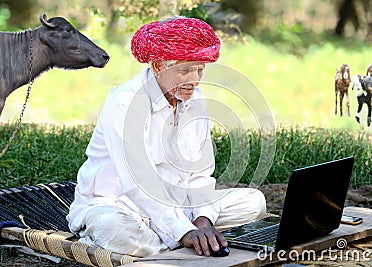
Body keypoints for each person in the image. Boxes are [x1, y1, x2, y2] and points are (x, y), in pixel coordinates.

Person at [67, 16, 266, 257]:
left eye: (200, 70)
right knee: (114, 230)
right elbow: (138, 183)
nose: (194, 80)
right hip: (121, 207)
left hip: (180, 207)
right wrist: (184, 230)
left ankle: (173, 242)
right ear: (158, 66)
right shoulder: (124, 102)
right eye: (184, 71)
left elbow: (200, 175)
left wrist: (203, 221)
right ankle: (179, 244)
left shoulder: (196, 99)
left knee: (254, 202)